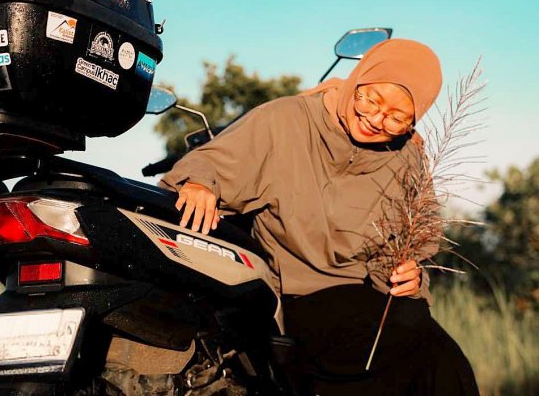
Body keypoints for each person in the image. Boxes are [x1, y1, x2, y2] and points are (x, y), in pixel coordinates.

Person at [160, 38, 479, 395]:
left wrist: (414, 278)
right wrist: (200, 184)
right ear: (358, 79)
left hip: (372, 298)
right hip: (299, 296)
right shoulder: (285, 120)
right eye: (371, 100)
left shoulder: (407, 156)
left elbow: (416, 246)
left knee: (446, 363)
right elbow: (211, 162)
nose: (376, 120)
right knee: (368, 355)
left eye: (396, 119)